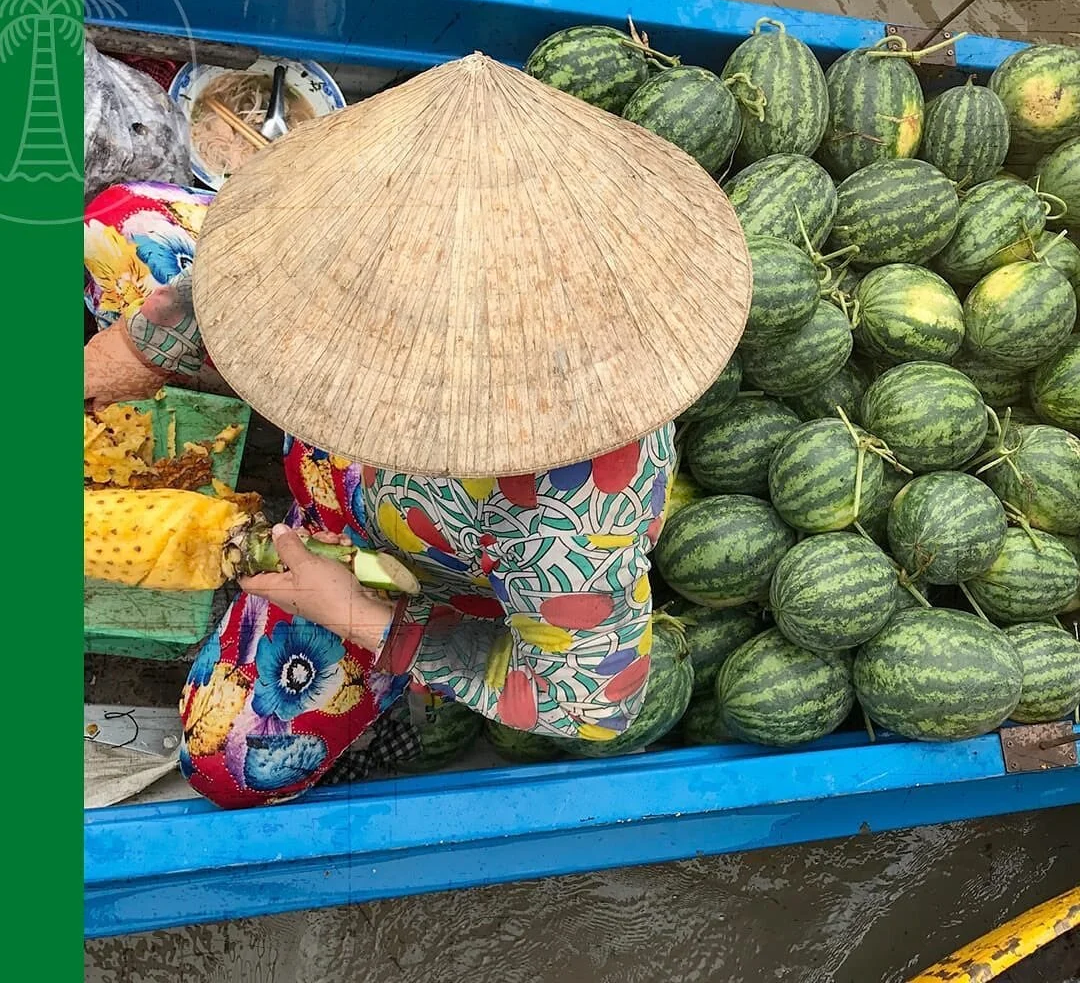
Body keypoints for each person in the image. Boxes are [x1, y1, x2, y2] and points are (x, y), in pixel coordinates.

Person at [83, 53, 751, 810]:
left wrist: (357, 614)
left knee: (230, 760)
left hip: (391, 569)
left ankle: (386, 705)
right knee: (118, 225)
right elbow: (248, 270)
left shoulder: (575, 510)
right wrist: (137, 350)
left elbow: (590, 701)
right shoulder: (354, 215)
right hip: (329, 471)